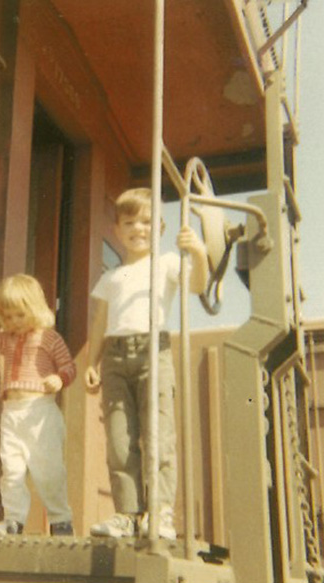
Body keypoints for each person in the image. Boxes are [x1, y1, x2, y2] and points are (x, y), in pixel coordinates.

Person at [85, 187, 208, 539]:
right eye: (129, 222)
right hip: (115, 358)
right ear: (118, 230)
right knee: (120, 439)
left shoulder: (167, 262)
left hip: (153, 353)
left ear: (161, 228)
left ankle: (160, 512)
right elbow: (100, 323)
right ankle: (127, 513)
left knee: (158, 433)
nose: (138, 228)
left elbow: (197, 286)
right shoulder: (111, 277)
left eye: (146, 221)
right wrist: (92, 362)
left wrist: (198, 252)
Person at [0, 273, 76, 536]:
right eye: (6, 317)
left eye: (19, 315)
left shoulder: (49, 338)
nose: (13, 323)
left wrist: (58, 378)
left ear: (35, 309)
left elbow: (68, 367)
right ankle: (13, 521)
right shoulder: (6, 339)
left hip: (40, 411)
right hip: (12, 413)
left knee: (48, 469)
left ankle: (60, 521)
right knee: (11, 468)